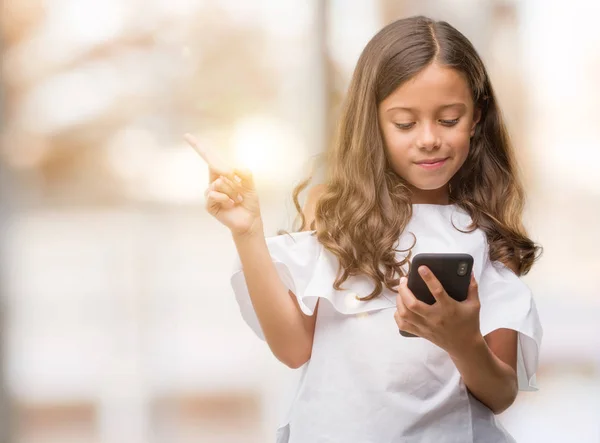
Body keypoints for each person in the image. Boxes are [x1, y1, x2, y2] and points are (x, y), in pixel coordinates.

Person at [186, 15, 542, 443]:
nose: (428, 139)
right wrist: (247, 233)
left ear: (477, 117)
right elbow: (293, 348)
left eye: (448, 119)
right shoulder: (337, 214)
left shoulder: (485, 236)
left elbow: (500, 393)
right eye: (405, 123)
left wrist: (461, 339)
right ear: (372, 122)